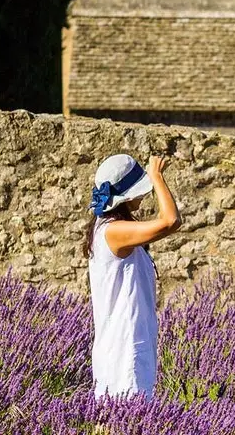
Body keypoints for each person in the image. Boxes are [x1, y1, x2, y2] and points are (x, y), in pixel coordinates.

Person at [83, 153, 182, 398]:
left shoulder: (107, 228)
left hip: (127, 342)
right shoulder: (114, 232)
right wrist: (157, 177)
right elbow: (170, 221)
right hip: (124, 347)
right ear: (125, 198)